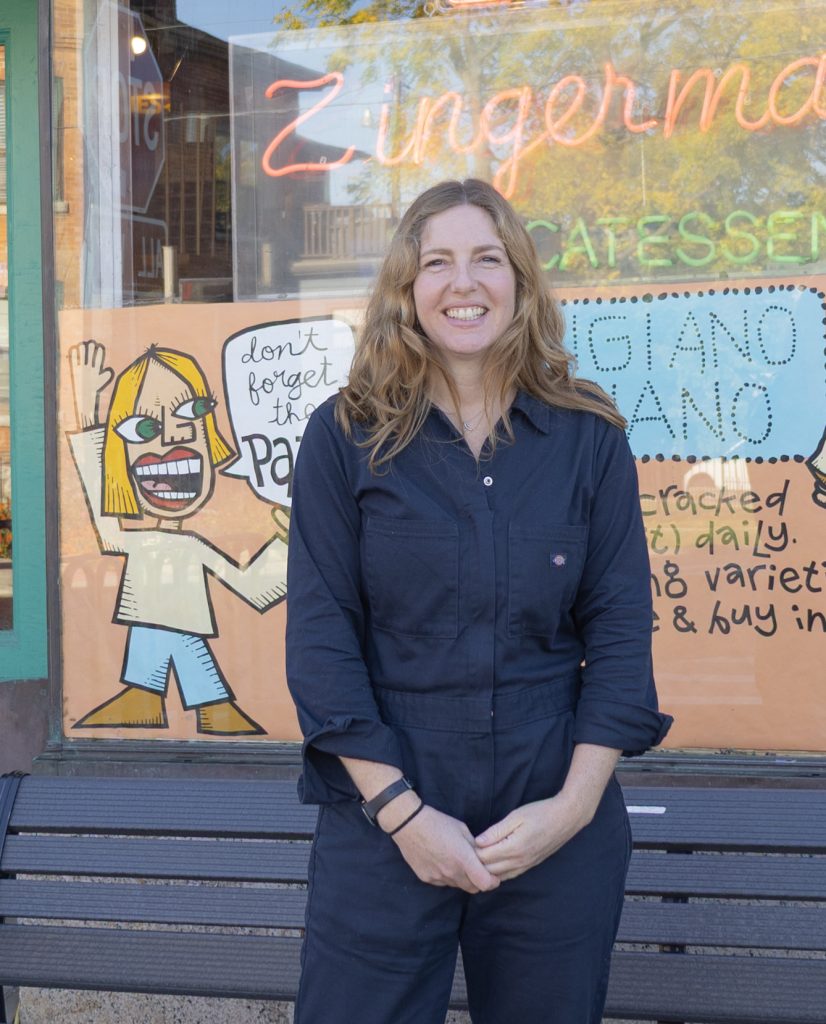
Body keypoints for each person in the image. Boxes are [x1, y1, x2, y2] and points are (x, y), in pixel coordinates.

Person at [285, 179, 672, 1024]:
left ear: (520, 281)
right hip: (386, 809)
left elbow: (619, 635)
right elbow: (321, 641)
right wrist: (402, 815)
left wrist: (571, 811)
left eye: (487, 259)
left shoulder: (588, 437)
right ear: (407, 287)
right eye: (438, 262)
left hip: (551, 808)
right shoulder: (344, 437)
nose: (463, 283)